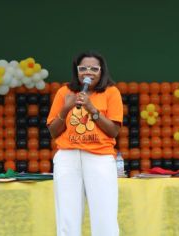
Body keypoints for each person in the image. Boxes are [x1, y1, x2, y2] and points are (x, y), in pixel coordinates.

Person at [47, 51, 123, 236]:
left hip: (100, 158)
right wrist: (66, 108)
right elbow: (53, 131)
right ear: (76, 71)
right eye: (83, 68)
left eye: (94, 69)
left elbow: (113, 131)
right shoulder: (64, 92)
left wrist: (91, 108)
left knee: (104, 215)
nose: (88, 72)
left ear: (102, 71)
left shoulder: (111, 92)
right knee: (67, 215)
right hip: (67, 157)